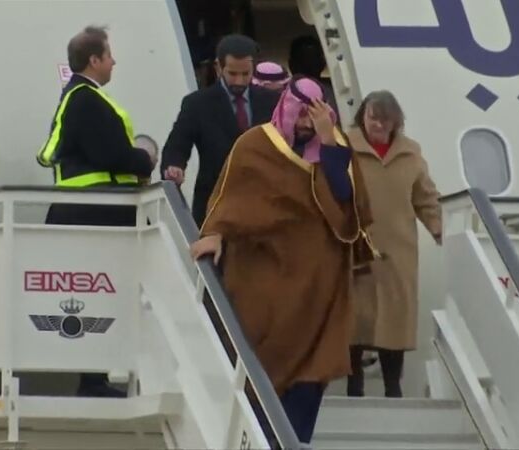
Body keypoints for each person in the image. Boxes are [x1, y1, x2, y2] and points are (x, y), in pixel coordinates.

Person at [189, 77, 375, 443]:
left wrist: (328, 144)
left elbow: (349, 204)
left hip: (322, 284)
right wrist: (215, 232)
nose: (306, 122)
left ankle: (294, 441)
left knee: (315, 365)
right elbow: (230, 198)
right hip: (264, 277)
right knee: (259, 360)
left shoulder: (336, 146)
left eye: (313, 114)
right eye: (300, 113)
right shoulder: (255, 145)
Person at [36, 25, 156, 396]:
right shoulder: (86, 100)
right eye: (109, 55)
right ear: (94, 60)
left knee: (99, 295)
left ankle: (96, 377)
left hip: (87, 212)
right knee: (99, 295)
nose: (114, 61)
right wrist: (145, 159)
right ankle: (92, 380)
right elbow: (110, 154)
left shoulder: (79, 97)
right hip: (94, 212)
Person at [345, 90, 442, 398]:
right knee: (353, 318)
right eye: (373, 118)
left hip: (399, 250)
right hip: (354, 245)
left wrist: (438, 227)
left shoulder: (410, 155)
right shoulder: (344, 147)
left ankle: (393, 386)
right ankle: (354, 385)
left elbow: (426, 197)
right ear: (363, 116)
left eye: (385, 121)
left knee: (395, 320)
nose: (378, 125)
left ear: (396, 122)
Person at [160, 34, 279, 225]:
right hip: (214, 205)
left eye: (245, 74)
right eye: (232, 74)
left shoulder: (273, 102)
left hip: (263, 204)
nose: (239, 81)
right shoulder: (197, 104)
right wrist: (174, 166)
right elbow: (177, 144)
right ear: (218, 67)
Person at [288, 35, 337, 113]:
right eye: (303, 59)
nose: (308, 64)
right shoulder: (280, 93)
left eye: (312, 59)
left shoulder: (338, 91)